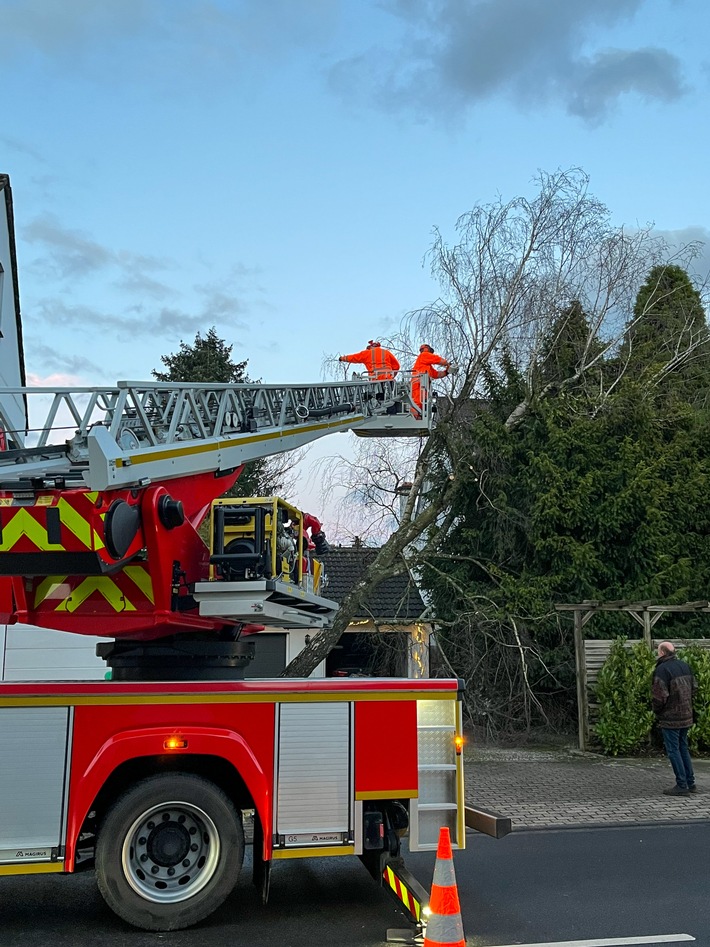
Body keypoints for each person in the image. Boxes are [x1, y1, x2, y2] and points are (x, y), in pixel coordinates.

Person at [652, 641, 698, 796]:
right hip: (686, 715)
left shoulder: (662, 670)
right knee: (683, 748)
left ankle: (681, 785)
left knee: (673, 750)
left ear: (662, 653)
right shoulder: (685, 666)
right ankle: (690, 783)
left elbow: (659, 697)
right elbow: (694, 688)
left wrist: (657, 711)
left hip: (671, 717)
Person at [411, 343, 450, 415]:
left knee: (420, 403)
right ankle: (414, 418)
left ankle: (417, 417)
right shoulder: (424, 355)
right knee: (417, 402)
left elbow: (437, 374)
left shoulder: (427, 366)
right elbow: (438, 360)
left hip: (422, 384)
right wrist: (447, 364)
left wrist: (446, 372)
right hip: (419, 383)